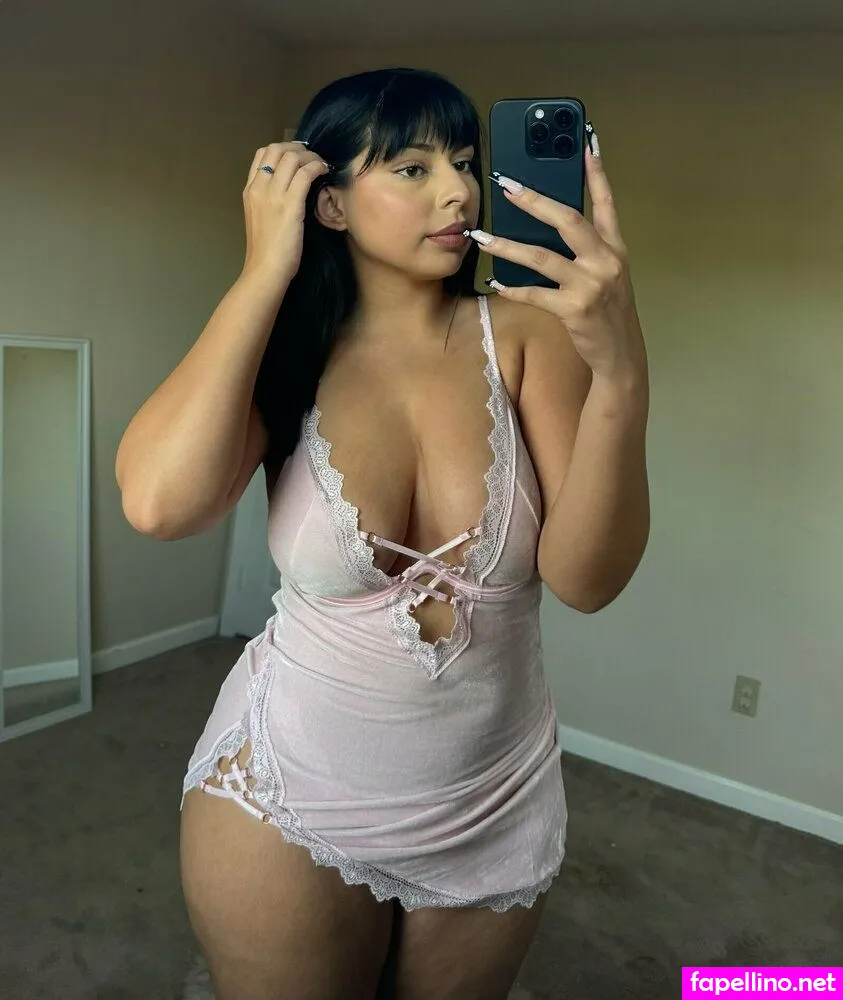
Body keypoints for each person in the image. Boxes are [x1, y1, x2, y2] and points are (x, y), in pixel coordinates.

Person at [116, 67, 650, 1000]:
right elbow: (160, 505)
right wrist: (263, 270)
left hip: (492, 795)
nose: (459, 192)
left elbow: (586, 580)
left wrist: (622, 376)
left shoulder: (523, 335)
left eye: (464, 163)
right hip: (289, 787)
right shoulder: (288, 353)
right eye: (411, 168)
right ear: (329, 204)